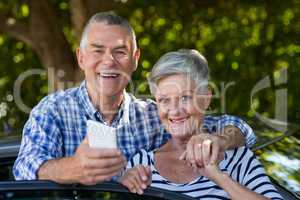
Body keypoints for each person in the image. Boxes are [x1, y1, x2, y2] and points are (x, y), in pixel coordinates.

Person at [13, 12, 256, 185]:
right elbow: (24, 169)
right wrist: (73, 168)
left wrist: (217, 140)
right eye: (98, 50)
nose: (109, 61)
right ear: (81, 58)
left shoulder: (153, 116)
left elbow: (238, 127)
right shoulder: (53, 111)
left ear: (135, 59)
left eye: (120, 52)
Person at [118, 49, 283, 200]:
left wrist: (219, 177)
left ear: (206, 98)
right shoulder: (141, 163)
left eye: (185, 97)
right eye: (164, 100)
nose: (174, 111)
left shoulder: (237, 158)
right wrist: (124, 185)